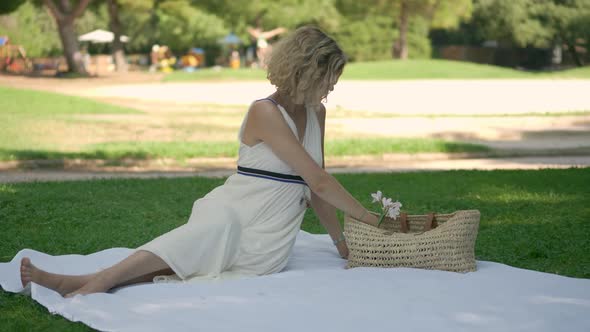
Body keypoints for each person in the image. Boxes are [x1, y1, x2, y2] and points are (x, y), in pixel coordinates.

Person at [18, 26, 380, 298]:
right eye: (328, 78)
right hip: (237, 208)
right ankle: (87, 285)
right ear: (305, 71)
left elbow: (316, 184)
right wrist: (370, 219)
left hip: (269, 234)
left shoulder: (317, 112)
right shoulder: (264, 112)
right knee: (211, 232)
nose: (332, 87)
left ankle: (85, 282)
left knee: (193, 257)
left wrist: (340, 242)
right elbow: (317, 182)